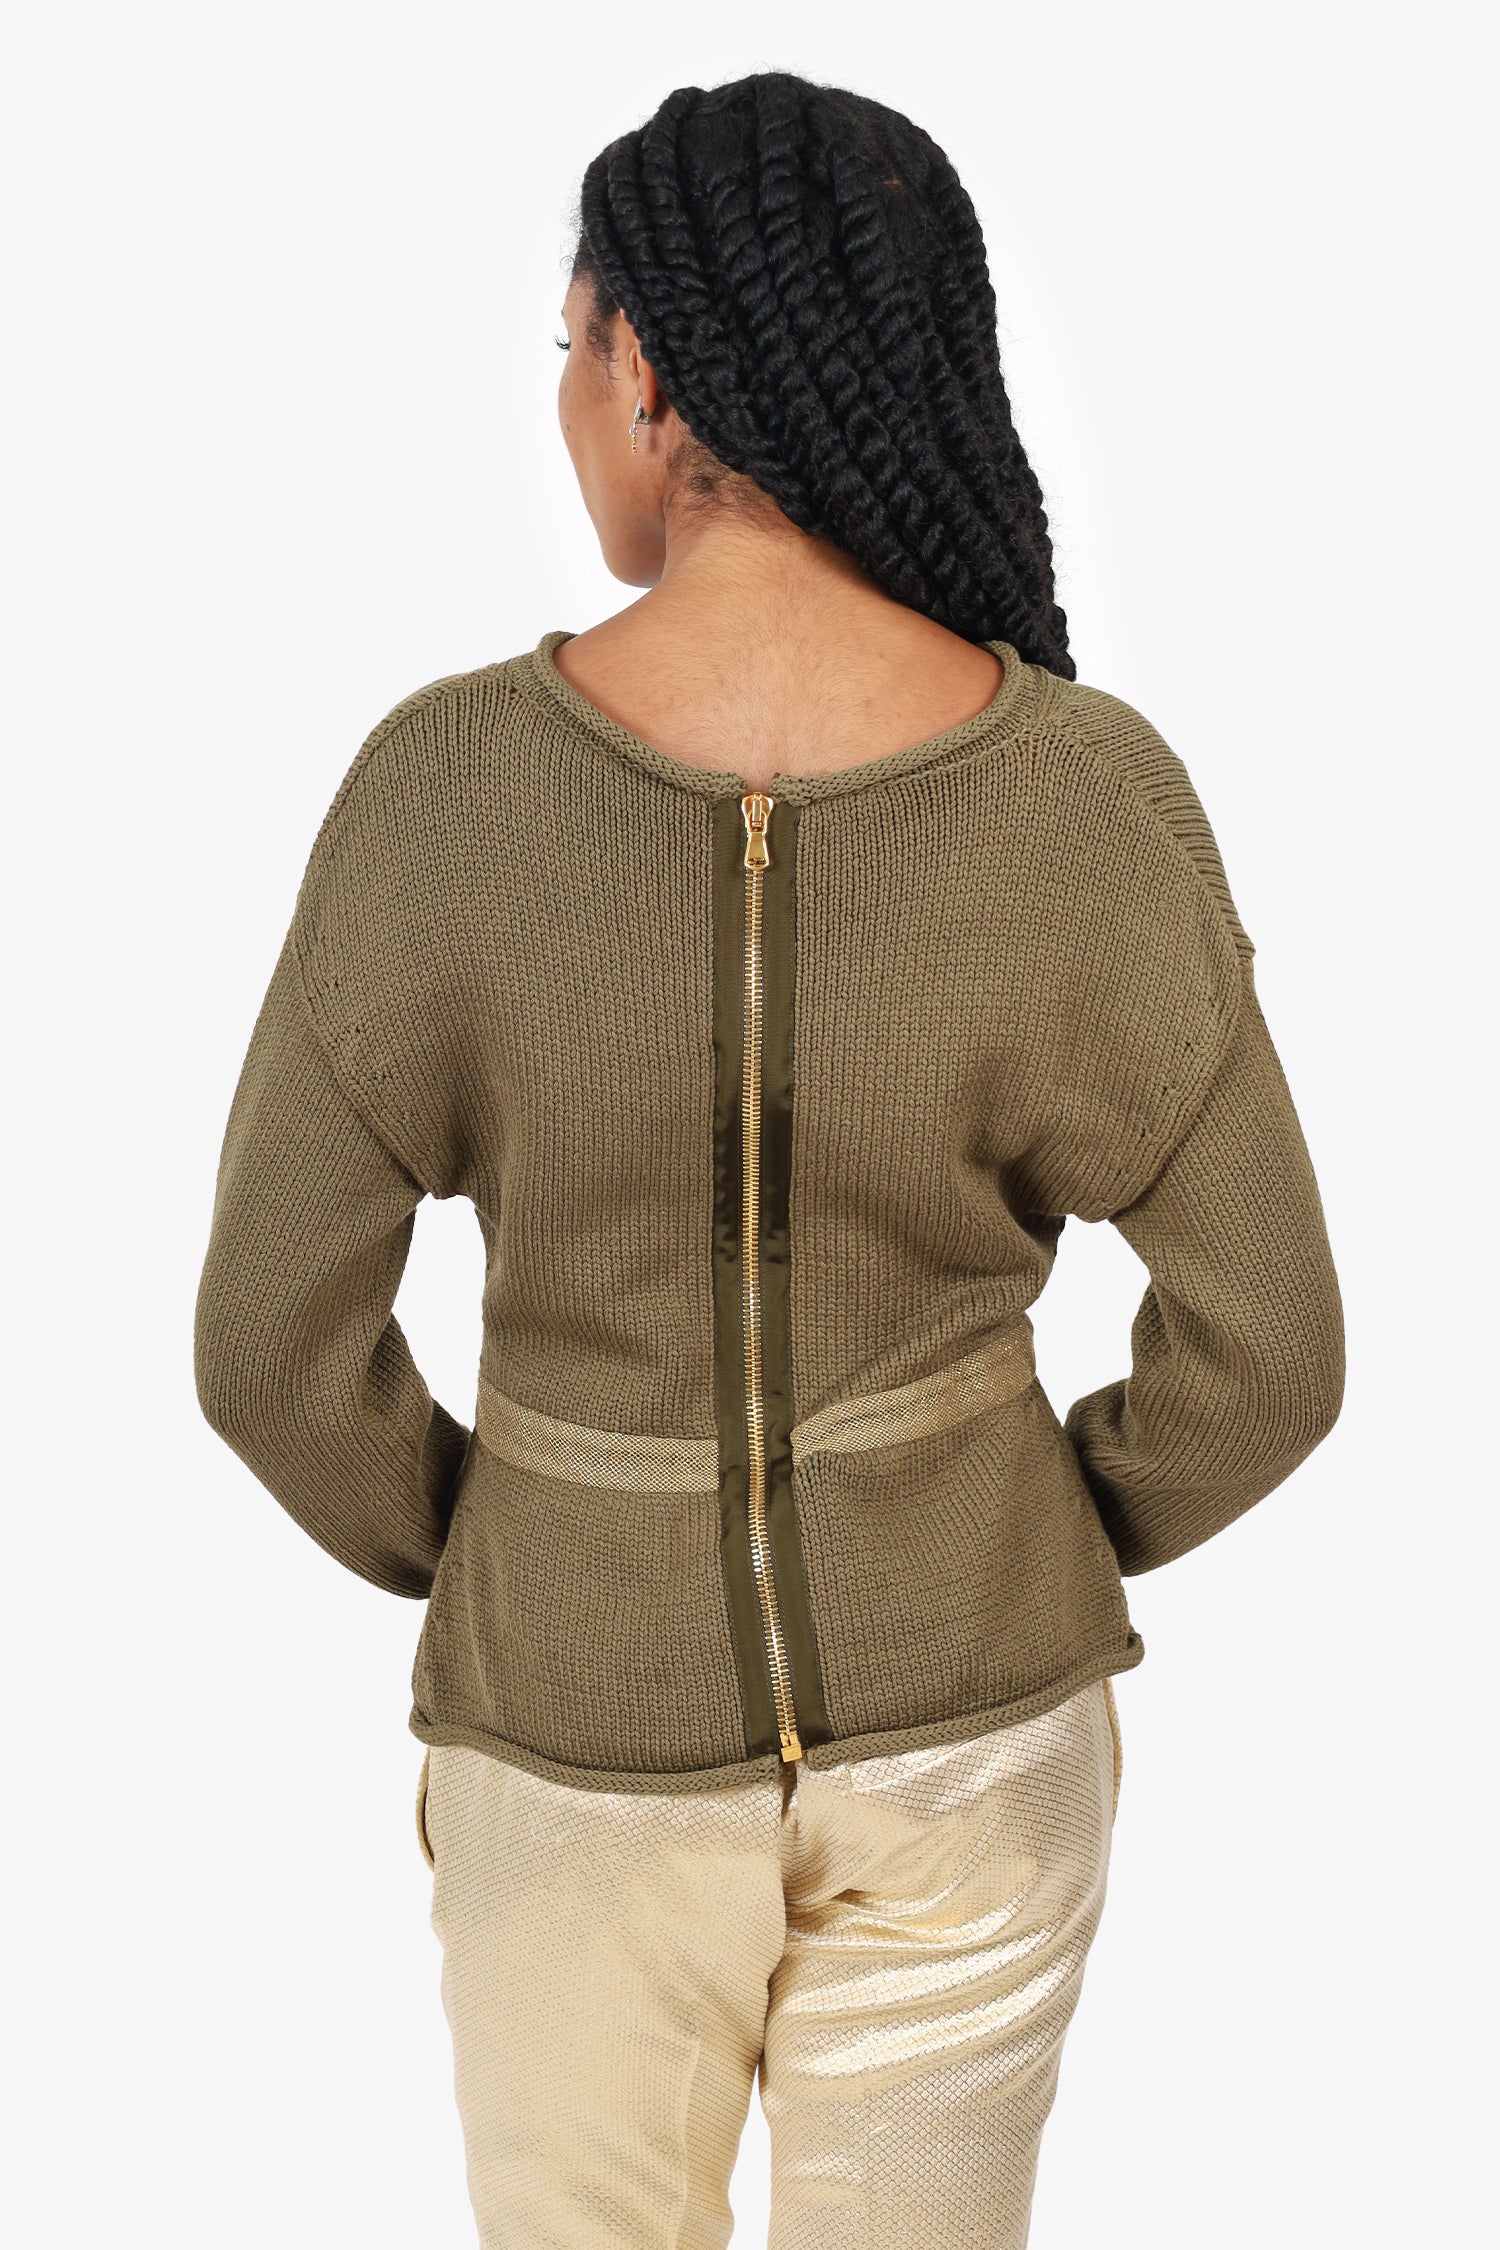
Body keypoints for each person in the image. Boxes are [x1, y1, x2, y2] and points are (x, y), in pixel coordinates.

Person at [194, 68, 1344, 2249]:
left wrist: (530, 1542)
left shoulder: (441, 792)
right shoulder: (1090, 794)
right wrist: (996, 1533)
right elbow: (1272, 1354)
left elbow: (268, 1347)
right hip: (976, 1748)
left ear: (643, 368)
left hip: (567, 1755)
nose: (569, 396)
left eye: (569, 346)